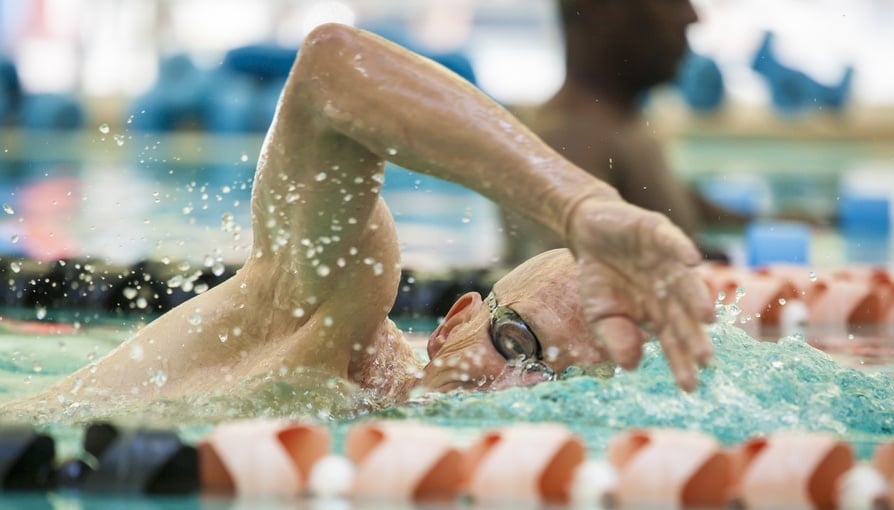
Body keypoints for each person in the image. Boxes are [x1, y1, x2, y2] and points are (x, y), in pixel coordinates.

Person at [7, 23, 713, 419]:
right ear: (453, 320)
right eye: (515, 342)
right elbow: (330, 69)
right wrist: (578, 205)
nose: (516, 389)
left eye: (559, 388)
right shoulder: (342, 315)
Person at [501, 0, 749, 265]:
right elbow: (565, 286)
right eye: (673, 3)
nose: (693, 17)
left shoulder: (620, 124)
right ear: (598, 10)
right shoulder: (569, 141)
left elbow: (679, 205)